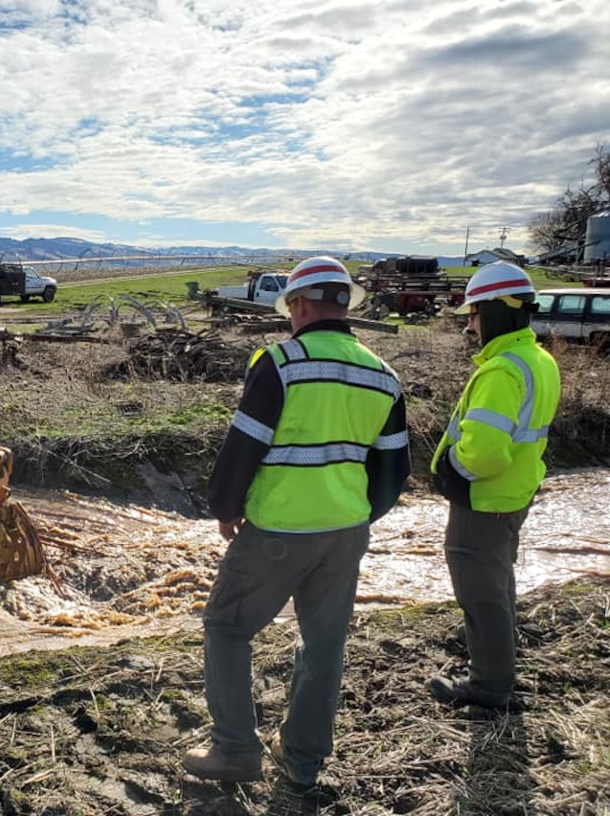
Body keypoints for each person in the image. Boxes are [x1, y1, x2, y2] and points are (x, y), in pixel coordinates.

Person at [184, 256, 410, 791]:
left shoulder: (282, 363)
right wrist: (358, 515)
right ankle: (304, 759)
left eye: (290, 306)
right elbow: (394, 468)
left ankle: (236, 749)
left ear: (300, 305)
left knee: (227, 626)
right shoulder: (384, 374)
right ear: (343, 306)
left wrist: (225, 508)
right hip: (346, 530)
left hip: (280, 528)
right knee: (325, 644)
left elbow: (244, 446)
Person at [427, 261, 560, 711]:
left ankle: (488, 687)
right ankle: (498, 671)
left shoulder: (502, 370)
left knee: (480, 595)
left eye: (474, 314)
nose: (470, 324)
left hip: (483, 501)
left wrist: (451, 472)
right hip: (513, 496)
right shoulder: (540, 360)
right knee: (498, 586)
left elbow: (485, 452)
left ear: (498, 311)